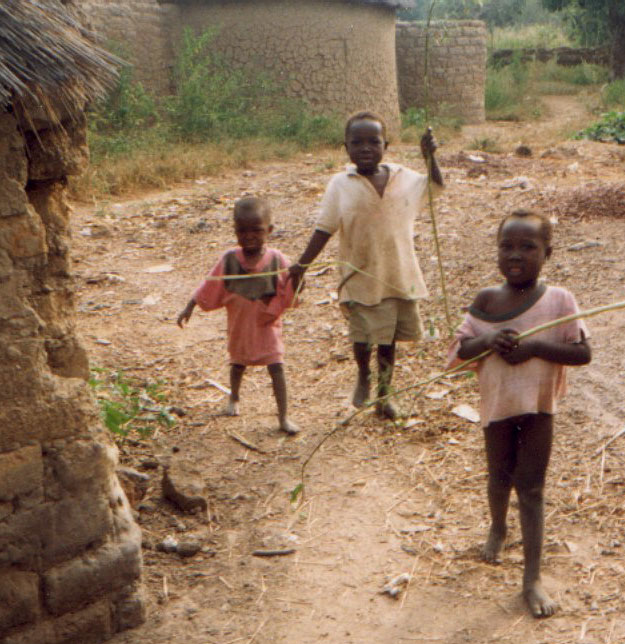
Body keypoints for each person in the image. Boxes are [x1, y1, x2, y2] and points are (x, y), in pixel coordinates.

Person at [450, 209, 591, 618]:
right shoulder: (487, 301)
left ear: (548, 252)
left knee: (530, 489)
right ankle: (498, 526)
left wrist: (535, 348)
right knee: (498, 476)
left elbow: (582, 352)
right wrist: (490, 339)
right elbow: (461, 351)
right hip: (497, 407)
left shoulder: (560, 300)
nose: (516, 254)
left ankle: (531, 580)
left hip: (537, 409)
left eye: (528, 247)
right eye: (507, 246)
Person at [289, 111, 443, 419]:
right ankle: (364, 376)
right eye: (356, 142)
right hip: (359, 273)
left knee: (388, 342)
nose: (365, 148)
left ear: (385, 144)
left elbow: (435, 187)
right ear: (345, 147)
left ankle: (385, 395)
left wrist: (430, 157)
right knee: (362, 335)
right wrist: (301, 265)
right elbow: (324, 227)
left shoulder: (404, 178)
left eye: (373, 141)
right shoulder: (340, 184)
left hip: (397, 274)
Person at [177, 197, 300, 435]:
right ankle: (234, 397)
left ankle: (283, 417)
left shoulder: (277, 259)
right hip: (239, 324)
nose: (249, 236)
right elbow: (209, 284)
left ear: (270, 230)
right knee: (237, 363)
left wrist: (298, 277)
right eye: (242, 231)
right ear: (234, 230)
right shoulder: (229, 259)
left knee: (276, 366)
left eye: (257, 230)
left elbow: (290, 292)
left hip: (267, 324)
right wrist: (189, 306)